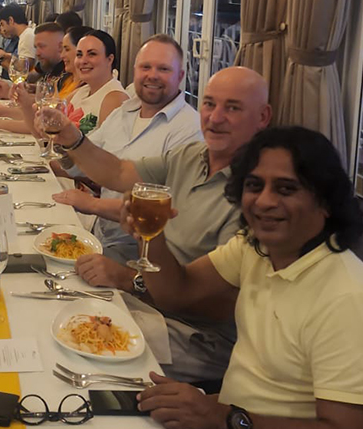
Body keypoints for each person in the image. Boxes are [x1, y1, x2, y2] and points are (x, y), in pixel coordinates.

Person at [133, 127, 363, 429]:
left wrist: (221, 419)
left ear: (325, 202)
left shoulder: (351, 299)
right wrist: (151, 235)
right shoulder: (255, 248)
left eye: (286, 189)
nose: (265, 201)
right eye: (254, 185)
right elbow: (176, 292)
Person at [48, 66, 272, 382]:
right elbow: (119, 173)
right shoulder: (193, 155)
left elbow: (219, 306)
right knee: (61, 306)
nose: (215, 117)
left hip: (200, 336)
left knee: (78, 348)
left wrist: (131, 279)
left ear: (263, 117)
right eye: (209, 104)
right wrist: (73, 139)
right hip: (154, 299)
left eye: (232, 108)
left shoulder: (260, 195)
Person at [52, 34, 202, 262]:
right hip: (98, 234)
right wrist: (66, 140)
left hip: (139, 254)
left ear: (180, 76)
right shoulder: (123, 112)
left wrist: (93, 205)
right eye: (145, 67)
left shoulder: (189, 129)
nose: (152, 75)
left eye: (163, 69)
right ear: (135, 71)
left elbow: (169, 210)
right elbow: (84, 164)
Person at [65, 29, 129, 135]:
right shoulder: (82, 91)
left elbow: (108, 144)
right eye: (79, 55)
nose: (83, 61)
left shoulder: (115, 98)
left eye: (92, 54)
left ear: (110, 59)